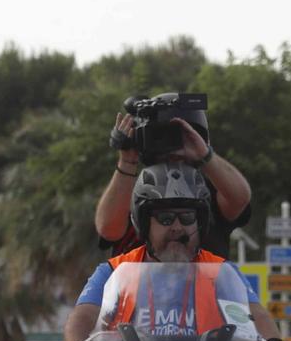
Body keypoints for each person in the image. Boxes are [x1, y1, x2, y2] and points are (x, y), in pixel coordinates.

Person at [64, 162, 277, 341]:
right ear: (144, 223)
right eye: (165, 218)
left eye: (186, 218)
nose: (177, 227)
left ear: (200, 223)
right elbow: (84, 316)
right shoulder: (113, 270)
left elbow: (256, 315)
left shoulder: (222, 271)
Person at [94, 102, 252, 257]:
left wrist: (204, 155)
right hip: (139, 281)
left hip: (202, 281)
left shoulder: (205, 193)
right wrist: (127, 162)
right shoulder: (136, 194)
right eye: (160, 136)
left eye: (181, 137)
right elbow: (108, 229)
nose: (171, 145)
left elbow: (240, 198)